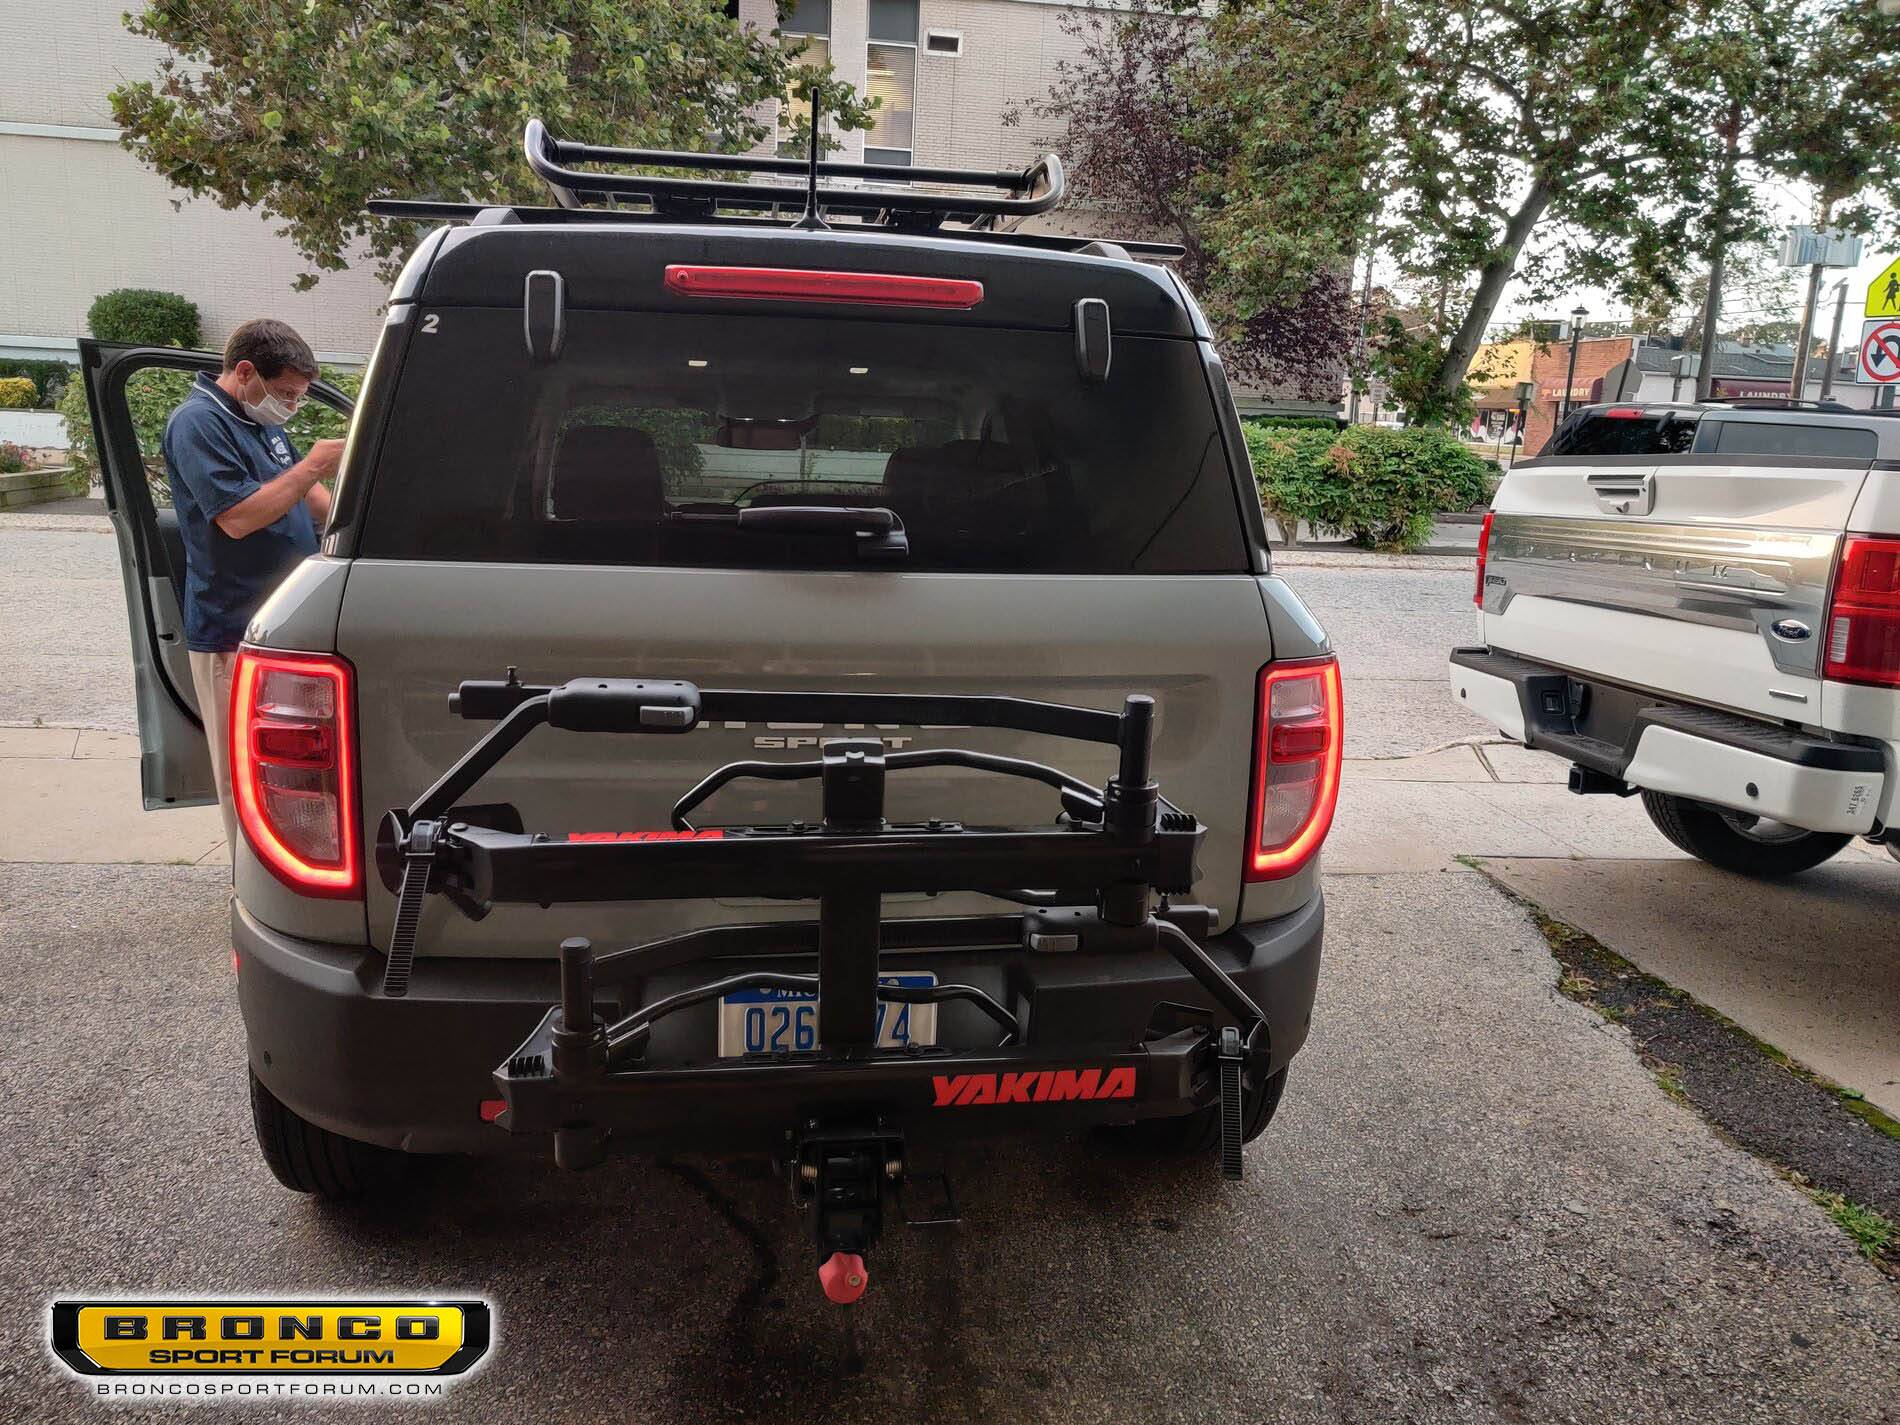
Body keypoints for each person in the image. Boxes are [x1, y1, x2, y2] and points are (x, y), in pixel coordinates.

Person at [160, 319, 345, 854]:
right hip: (231, 625)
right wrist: (313, 462)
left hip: (287, 619)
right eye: (285, 393)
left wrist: (351, 530)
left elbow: (309, 496)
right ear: (245, 372)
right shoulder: (198, 423)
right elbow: (238, 518)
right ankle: (251, 887)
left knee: (290, 773)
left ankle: (287, 870)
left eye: (297, 396)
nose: (289, 405)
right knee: (243, 772)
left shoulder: (258, 419)